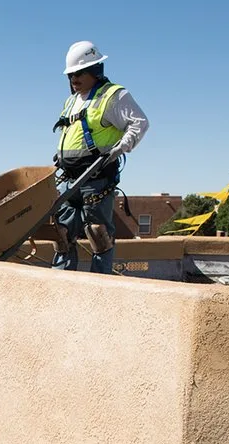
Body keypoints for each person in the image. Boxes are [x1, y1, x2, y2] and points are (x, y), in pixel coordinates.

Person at [51, 40, 150, 274]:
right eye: (71, 75)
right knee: (61, 235)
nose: (74, 79)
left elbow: (139, 123)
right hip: (68, 178)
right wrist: (60, 154)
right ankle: (61, 284)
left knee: (98, 234)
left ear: (95, 70)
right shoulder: (71, 101)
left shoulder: (113, 96)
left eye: (79, 73)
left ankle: (100, 286)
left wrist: (119, 148)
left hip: (96, 179)